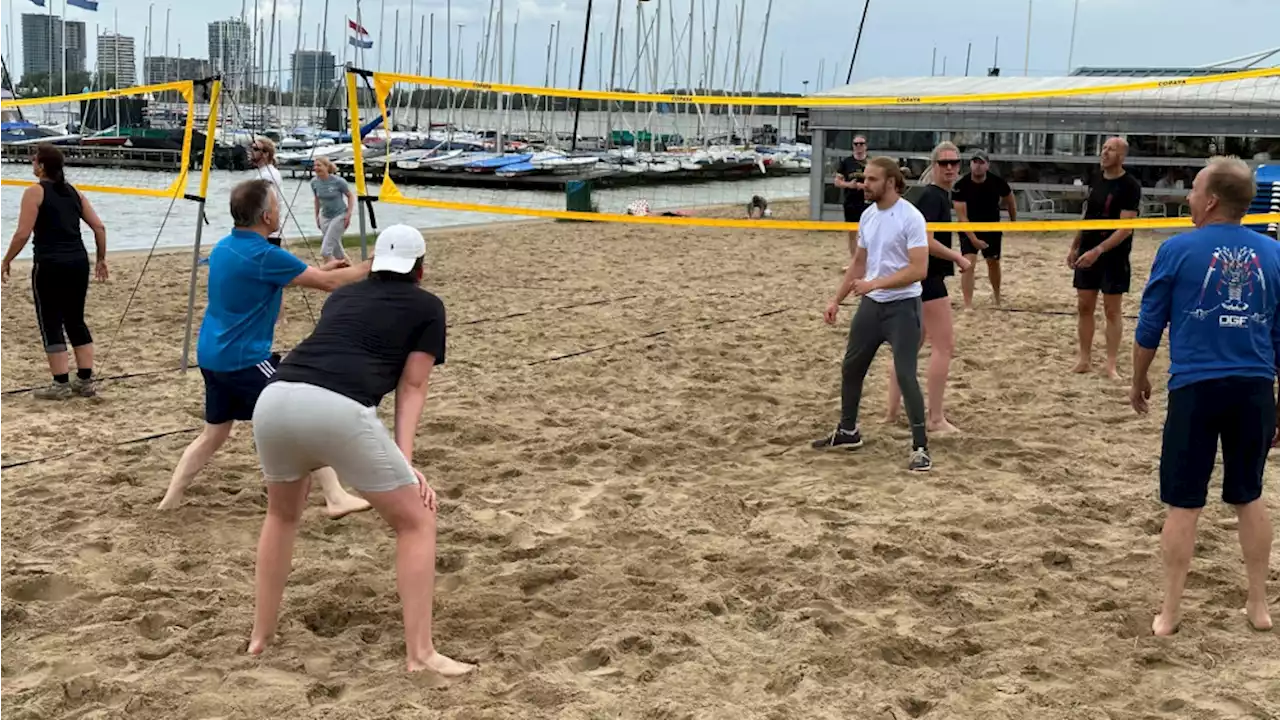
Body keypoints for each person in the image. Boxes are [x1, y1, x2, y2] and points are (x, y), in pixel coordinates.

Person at [248, 224, 475, 677]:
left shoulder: (344, 296)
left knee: (282, 516)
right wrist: (407, 465)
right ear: (421, 269)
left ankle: (261, 636)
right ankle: (421, 655)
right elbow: (413, 386)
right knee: (416, 521)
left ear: (375, 265)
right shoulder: (428, 305)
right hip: (336, 407)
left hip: (273, 397)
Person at [158, 179, 372, 518]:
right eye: (276, 205)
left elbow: (275, 277)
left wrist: (318, 271)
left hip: (212, 356)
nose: (279, 210)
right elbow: (328, 284)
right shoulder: (265, 254)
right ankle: (335, 497)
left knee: (213, 434)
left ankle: (170, 499)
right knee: (302, 417)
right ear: (267, 217)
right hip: (244, 360)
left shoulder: (225, 247)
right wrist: (370, 267)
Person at [1130, 156, 1280, 636]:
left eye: (1194, 189)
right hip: (1255, 386)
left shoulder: (1177, 250)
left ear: (1212, 199)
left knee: (1184, 503)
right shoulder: (1273, 254)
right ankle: (1258, 606)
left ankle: (1170, 612)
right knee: (1249, 495)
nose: (1189, 197)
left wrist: (1138, 378)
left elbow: (1150, 326)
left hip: (1195, 387)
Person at [812, 156, 933, 473]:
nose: (864, 184)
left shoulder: (911, 217)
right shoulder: (867, 216)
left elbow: (919, 269)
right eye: (864, 179)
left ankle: (920, 447)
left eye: (871, 180)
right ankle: (848, 431)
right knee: (851, 367)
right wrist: (836, 299)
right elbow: (858, 263)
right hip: (871, 305)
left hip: (903, 307)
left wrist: (875, 283)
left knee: (905, 374)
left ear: (891, 182)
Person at [0, 144, 109, 399]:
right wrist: (101, 259)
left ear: (41, 166)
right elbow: (99, 227)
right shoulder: (74, 192)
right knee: (75, 318)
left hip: (50, 263)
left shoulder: (34, 192)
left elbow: (22, 234)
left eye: (34, 160)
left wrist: (6, 260)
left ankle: (60, 385)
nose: (31, 163)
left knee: (51, 320)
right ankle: (85, 381)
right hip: (78, 262)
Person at [886, 141, 971, 434]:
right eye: (943, 163)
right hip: (926, 277)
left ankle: (891, 413)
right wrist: (958, 256)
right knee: (944, 346)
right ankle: (935, 418)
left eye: (954, 163)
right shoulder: (933, 197)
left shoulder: (920, 194)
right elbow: (927, 241)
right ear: (933, 166)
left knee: (908, 347)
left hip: (910, 276)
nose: (949, 168)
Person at [1069, 136, 1142, 379]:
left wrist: (1098, 251)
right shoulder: (1096, 178)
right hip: (1088, 248)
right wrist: (1075, 246)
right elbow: (1088, 216)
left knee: (1112, 310)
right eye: (1103, 148)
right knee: (1084, 306)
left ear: (1122, 156)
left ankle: (1110, 364)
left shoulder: (1130, 185)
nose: (1105, 153)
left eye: (1111, 149)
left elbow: (1125, 228)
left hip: (1113, 254)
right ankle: (1084, 359)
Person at [953, 149, 1017, 309]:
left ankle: (997, 297)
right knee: (968, 264)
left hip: (992, 228)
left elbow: (1010, 199)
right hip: (969, 228)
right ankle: (968, 304)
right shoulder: (961, 185)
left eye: (981, 162)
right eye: (975, 162)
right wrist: (974, 239)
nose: (978, 166)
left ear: (987, 165)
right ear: (970, 165)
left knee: (993, 262)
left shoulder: (998, 182)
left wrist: (1013, 220)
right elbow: (962, 217)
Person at [311, 156, 354, 263]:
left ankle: (333, 273)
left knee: (326, 251)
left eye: (319, 165)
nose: (316, 168)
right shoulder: (314, 182)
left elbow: (350, 196)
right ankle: (349, 269)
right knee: (337, 249)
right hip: (324, 216)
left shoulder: (338, 181)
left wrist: (349, 214)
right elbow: (317, 200)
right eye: (315, 165)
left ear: (326, 167)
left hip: (339, 215)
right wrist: (316, 216)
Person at [834, 135, 869, 266]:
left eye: (861, 144)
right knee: (852, 234)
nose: (859, 146)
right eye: (856, 144)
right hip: (851, 202)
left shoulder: (871, 163)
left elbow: (878, 181)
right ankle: (855, 262)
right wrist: (850, 185)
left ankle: (867, 261)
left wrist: (865, 187)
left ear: (866, 146)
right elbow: (837, 182)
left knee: (868, 233)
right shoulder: (846, 162)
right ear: (853, 146)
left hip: (868, 203)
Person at [251, 137, 287, 247]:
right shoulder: (267, 172)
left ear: (266, 154)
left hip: (267, 231)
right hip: (266, 229)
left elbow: (265, 203)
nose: (252, 151)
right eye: (252, 148)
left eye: (256, 149)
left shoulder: (268, 175)